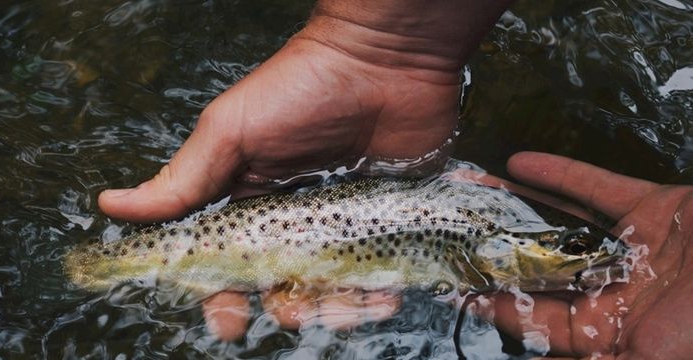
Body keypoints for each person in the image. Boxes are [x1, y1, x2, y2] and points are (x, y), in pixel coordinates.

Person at [96, 1, 693, 358]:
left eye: (578, 251)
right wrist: (374, 47)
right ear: (496, 253)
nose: (592, 257)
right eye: (573, 249)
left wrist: (381, 44)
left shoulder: (478, 237)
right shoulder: (479, 242)